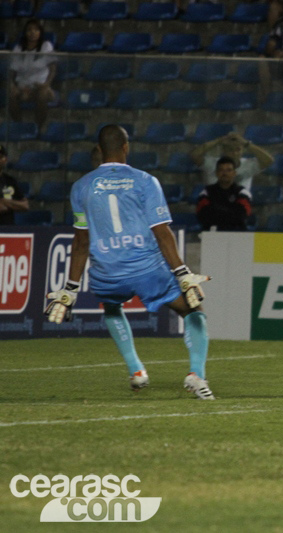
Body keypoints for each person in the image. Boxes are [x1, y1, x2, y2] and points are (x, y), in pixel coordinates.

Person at [45, 125, 215, 400]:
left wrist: (70, 288)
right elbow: (162, 233)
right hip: (146, 268)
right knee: (193, 310)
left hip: (107, 271)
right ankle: (196, 374)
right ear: (126, 148)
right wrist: (182, 272)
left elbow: (81, 243)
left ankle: (136, 370)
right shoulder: (145, 181)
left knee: (112, 306)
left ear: (99, 151)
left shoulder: (81, 187)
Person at [9, 19, 57, 129]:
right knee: (12, 95)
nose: (32, 32)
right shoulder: (19, 48)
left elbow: (53, 69)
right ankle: (18, 125)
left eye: (36, 29)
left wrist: (46, 84)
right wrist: (13, 85)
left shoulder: (46, 46)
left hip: (40, 85)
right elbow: (12, 71)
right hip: (22, 86)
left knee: (42, 95)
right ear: (25, 32)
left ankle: (38, 127)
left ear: (40, 32)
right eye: (29, 30)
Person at [190, 131, 274, 191]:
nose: (234, 153)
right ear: (223, 150)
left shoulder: (248, 164)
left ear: (242, 151)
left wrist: (246, 143)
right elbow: (194, 155)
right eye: (230, 149)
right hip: (215, 205)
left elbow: (269, 160)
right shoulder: (213, 164)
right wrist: (219, 140)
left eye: (238, 149)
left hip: (240, 204)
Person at [196, 156, 253, 232]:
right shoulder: (207, 192)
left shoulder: (242, 192)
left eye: (228, 170)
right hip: (212, 234)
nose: (225, 173)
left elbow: (242, 216)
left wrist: (216, 210)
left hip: (238, 234)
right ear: (216, 173)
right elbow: (203, 215)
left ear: (234, 173)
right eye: (221, 170)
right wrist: (231, 212)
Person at [0, 145, 30, 225]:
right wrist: (13, 205)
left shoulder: (10, 181)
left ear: (5, 159)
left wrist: (4, 202)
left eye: (0, 157)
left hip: (8, 230)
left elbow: (25, 205)